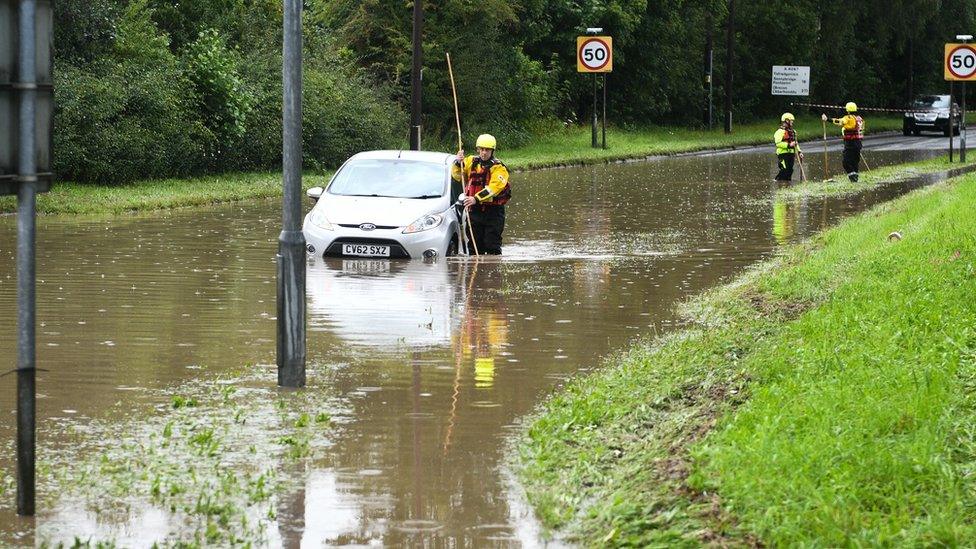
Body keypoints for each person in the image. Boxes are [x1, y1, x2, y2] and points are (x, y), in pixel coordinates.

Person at [452, 133, 511, 255]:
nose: (484, 153)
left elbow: (494, 188)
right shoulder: (470, 161)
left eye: (487, 150)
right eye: (481, 149)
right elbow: (458, 176)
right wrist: (458, 163)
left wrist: (476, 198)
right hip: (475, 212)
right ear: (478, 149)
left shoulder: (499, 168)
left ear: (492, 151)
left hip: (493, 212)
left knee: (492, 245)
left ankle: (492, 271)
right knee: (474, 247)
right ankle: (476, 272)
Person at [825, 102, 864, 182]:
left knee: (846, 162)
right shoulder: (860, 119)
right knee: (854, 162)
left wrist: (828, 119)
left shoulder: (848, 118)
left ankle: (853, 178)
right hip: (858, 143)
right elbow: (861, 131)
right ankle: (855, 178)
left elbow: (840, 121)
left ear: (847, 110)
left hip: (850, 143)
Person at [774, 113, 803, 182]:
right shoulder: (780, 132)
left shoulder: (793, 132)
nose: (792, 122)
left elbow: (795, 143)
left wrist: (799, 152)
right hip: (782, 154)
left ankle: (787, 185)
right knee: (784, 169)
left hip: (791, 154)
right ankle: (778, 182)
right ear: (786, 120)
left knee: (790, 170)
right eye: (791, 120)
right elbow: (778, 143)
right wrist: (789, 145)